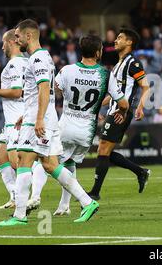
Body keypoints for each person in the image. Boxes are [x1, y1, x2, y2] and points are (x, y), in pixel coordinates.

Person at [0, 19, 99, 227]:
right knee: (51, 165)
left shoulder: (38, 59)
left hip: (39, 120)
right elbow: (40, 91)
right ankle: (88, 202)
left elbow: (44, 88)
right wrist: (27, 114)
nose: (16, 40)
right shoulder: (40, 57)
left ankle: (20, 215)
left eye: (17, 36)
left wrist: (38, 117)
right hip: (40, 116)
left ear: (29, 36)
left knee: (24, 160)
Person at [53, 35, 129, 216]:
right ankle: (64, 205)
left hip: (66, 125)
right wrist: (122, 112)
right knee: (69, 163)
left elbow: (55, 89)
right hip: (87, 131)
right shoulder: (105, 74)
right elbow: (123, 103)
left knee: (47, 163)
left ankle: (31, 200)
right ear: (97, 52)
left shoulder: (67, 70)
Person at [87, 28, 151, 201]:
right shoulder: (117, 65)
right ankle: (140, 172)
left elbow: (146, 86)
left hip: (121, 113)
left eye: (120, 38)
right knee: (105, 150)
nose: (115, 40)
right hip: (113, 110)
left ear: (129, 43)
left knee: (103, 148)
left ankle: (95, 192)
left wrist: (140, 107)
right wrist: (96, 106)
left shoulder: (133, 63)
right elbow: (113, 95)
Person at [0, 29, 28, 210]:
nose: (2, 46)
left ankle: (26, 198)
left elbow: (16, 91)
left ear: (12, 42)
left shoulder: (14, 64)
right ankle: (14, 195)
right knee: (0, 157)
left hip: (16, 120)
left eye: (4, 42)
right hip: (13, 119)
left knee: (17, 162)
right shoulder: (24, 62)